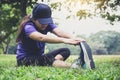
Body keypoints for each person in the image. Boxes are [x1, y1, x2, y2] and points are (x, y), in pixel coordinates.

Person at [16, 3, 84, 68]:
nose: (45, 24)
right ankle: (76, 67)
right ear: (34, 19)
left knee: (65, 51)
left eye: (46, 21)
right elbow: (41, 37)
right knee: (47, 58)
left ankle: (53, 62)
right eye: (42, 22)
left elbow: (59, 32)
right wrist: (65, 40)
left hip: (40, 57)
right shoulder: (28, 26)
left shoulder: (47, 24)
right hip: (24, 60)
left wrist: (74, 38)